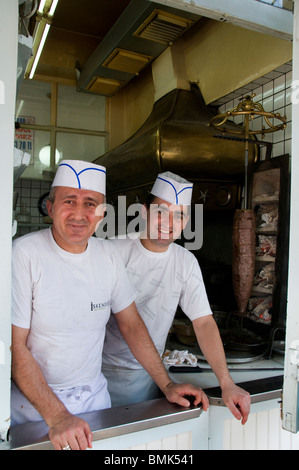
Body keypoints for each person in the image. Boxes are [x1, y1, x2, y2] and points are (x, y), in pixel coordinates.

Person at [11, 161, 209, 451]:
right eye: (69, 201)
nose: (79, 214)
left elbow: (131, 324)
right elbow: (15, 346)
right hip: (33, 408)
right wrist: (57, 416)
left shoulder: (107, 256)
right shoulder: (24, 254)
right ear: (50, 207)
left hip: (95, 402)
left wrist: (166, 384)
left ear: (102, 214)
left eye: (90, 204)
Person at [102, 171, 251, 424]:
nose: (168, 222)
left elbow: (203, 322)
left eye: (179, 214)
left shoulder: (185, 261)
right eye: (161, 211)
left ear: (187, 220)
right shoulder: (111, 251)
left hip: (149, 376)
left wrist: (227, 383)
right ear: (144, 211)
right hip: (99, 374)